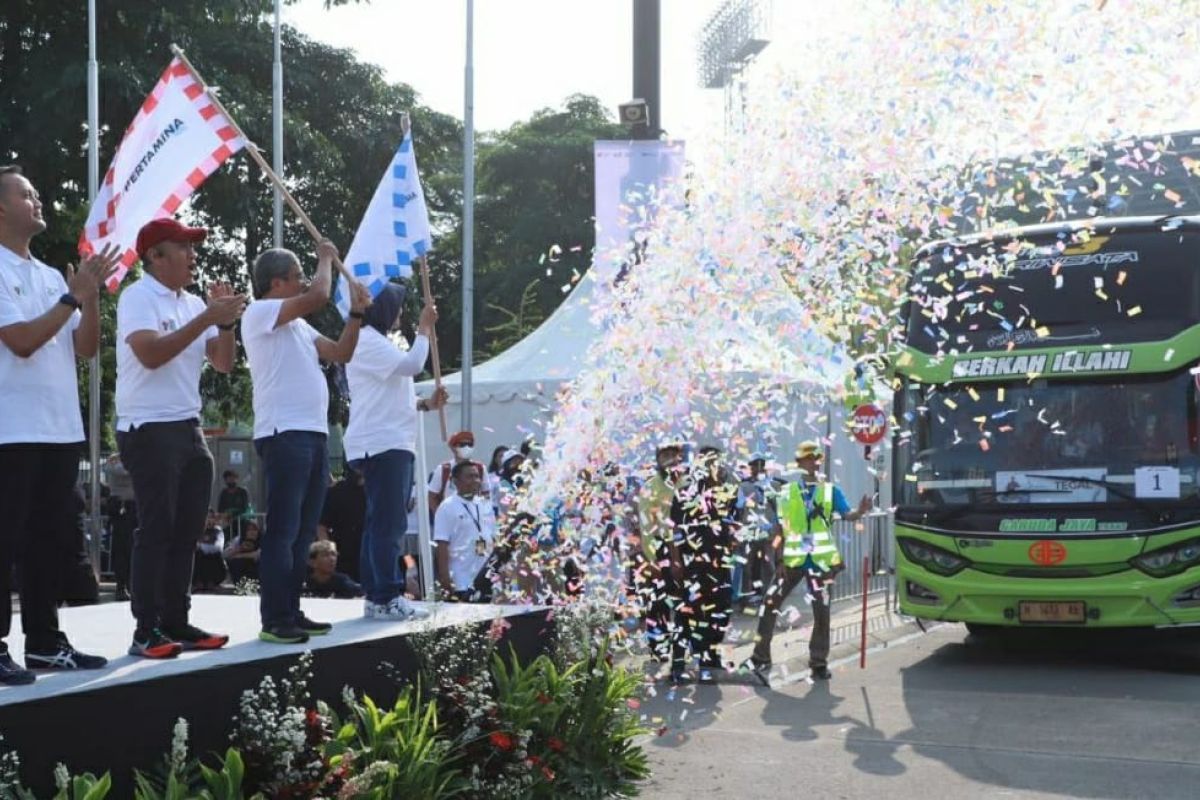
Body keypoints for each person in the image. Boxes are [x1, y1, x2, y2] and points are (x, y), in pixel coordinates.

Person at [0, 165, 118, 683]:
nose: (38, 200)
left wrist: (89, 300)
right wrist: (72, 297)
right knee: (5, 541)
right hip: (10, 431)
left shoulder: (51, 275)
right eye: (28, 194)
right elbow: (22, 341)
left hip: (58, 430)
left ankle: (45, 642)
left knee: (49, 540)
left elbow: (84, 348)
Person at [115, 217, 244, 657]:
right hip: (147, 426)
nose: (192, 255)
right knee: (157, 527)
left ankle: (175, 620)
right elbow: (150, 353)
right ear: (154, 256)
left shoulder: (191, 302)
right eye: (182, 247)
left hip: (188, 427)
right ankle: (145, 629)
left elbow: (223, 363)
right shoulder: (138, 296)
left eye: (193, 246)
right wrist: (208, 316)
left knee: (189, 528)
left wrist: (224, 323)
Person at [242, 240, 370, 644]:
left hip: (311, 434)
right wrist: (325, 258)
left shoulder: (297, 325)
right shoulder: (260, 312)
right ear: (276, 282)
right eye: (296, 276)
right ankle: (275, 617)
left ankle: (290, 609)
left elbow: (340, 352)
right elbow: (317, 295)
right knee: (283, 530)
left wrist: (355, 313)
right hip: (284, 433)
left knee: (301, 534)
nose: (303, 282)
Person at [343, 281, 442, 619]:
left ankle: (377, 595)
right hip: (383, 444)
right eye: (396, 305)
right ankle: (386, 596)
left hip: (383, 441)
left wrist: (426, 404)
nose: (400, 311)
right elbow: (414, 364)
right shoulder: (368, 341)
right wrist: (424, 329)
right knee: (388, 525)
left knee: (379, 524)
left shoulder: (373, 342)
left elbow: (392, 395)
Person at [742, 440, 872, 685]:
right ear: (799, 463)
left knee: (821, 614)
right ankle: (761, 657)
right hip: (791, 561)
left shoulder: (830, 490)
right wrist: (778, 557)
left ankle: (818, 663)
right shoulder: (787, 491)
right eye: (806, 458)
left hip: (820, 562)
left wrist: (861, 511)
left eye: (814, 458)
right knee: (769, 603)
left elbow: (847, 515)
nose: (811, 462)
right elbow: (780, 527)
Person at [668, 446, 738, 684]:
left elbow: (732, 522)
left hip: (719, 560)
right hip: (692, 560)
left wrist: (733, 540)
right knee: (688, 611)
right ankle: (678, 663)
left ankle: (709, 656)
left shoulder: (725, 490)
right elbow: (675, 527)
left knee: (721, 608)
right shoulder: (687, 490)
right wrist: (675, 556)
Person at [633, 442, 686, 664]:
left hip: (685, 550)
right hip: (660, 550)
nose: (670, 459)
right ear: (658, 459)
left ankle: (681, 650)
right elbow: (649, 527)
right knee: (658, 603)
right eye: (665, 455)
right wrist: (653, 560)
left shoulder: (686, 483)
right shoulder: (651, 487)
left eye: (674, 455)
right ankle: (657, 648)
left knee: (683, 602)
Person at [434, 462, 498, 602]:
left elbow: (494, 538)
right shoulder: (447, 507)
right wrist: (445, 579)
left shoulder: (485, 504)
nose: (476, 480)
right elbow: (442, 545)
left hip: (485, 578)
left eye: (477, 476)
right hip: (460, 580)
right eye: (470, 476)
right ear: (455, 481)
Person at [317, 467, 366, 582]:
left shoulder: (379, 492)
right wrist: (329, 555)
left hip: (370, 564)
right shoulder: (336, 492)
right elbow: (321, 527)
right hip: (343, 563)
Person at [428, 430, 492, 514]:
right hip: (450, 515)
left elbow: (486, 493)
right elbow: (432, 496)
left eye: (470, 444)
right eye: (462, 444)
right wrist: (440, 515)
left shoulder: (480, 468)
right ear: (453, 447)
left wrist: (483, 514)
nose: (467, 447)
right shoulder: (443, 469)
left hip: (473, 516)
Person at [193, 511, 227, 592]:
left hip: (213, 559)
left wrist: (201, 546)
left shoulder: (218, 531)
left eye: (211, 518)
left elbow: (218, 547)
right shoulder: (196, 530)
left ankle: (212, 582)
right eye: (206, 517)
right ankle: (198, 582)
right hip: (200, 559)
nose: (208, 520)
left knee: (214, 555)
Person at [223, 519, 261, 583]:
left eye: (254, 530)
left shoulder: (263, 540)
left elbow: (259, 554)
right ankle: (241, 584)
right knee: (235, 562)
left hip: (257, 570)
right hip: (242, 571)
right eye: (249, 530)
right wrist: (239, 549)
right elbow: (225, 554)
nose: (252, 532)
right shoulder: (238, 540)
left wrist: (240, 555)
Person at [217, 470, 251, 540]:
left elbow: (244, 508)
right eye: (228, 479)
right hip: (228, 523)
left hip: (242, 522)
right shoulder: (224, 493)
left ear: (236, 479)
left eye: (233, 478)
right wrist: (224, 516)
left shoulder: (242, 492)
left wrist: (231, 514)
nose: (231, 481)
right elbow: (220, 509)